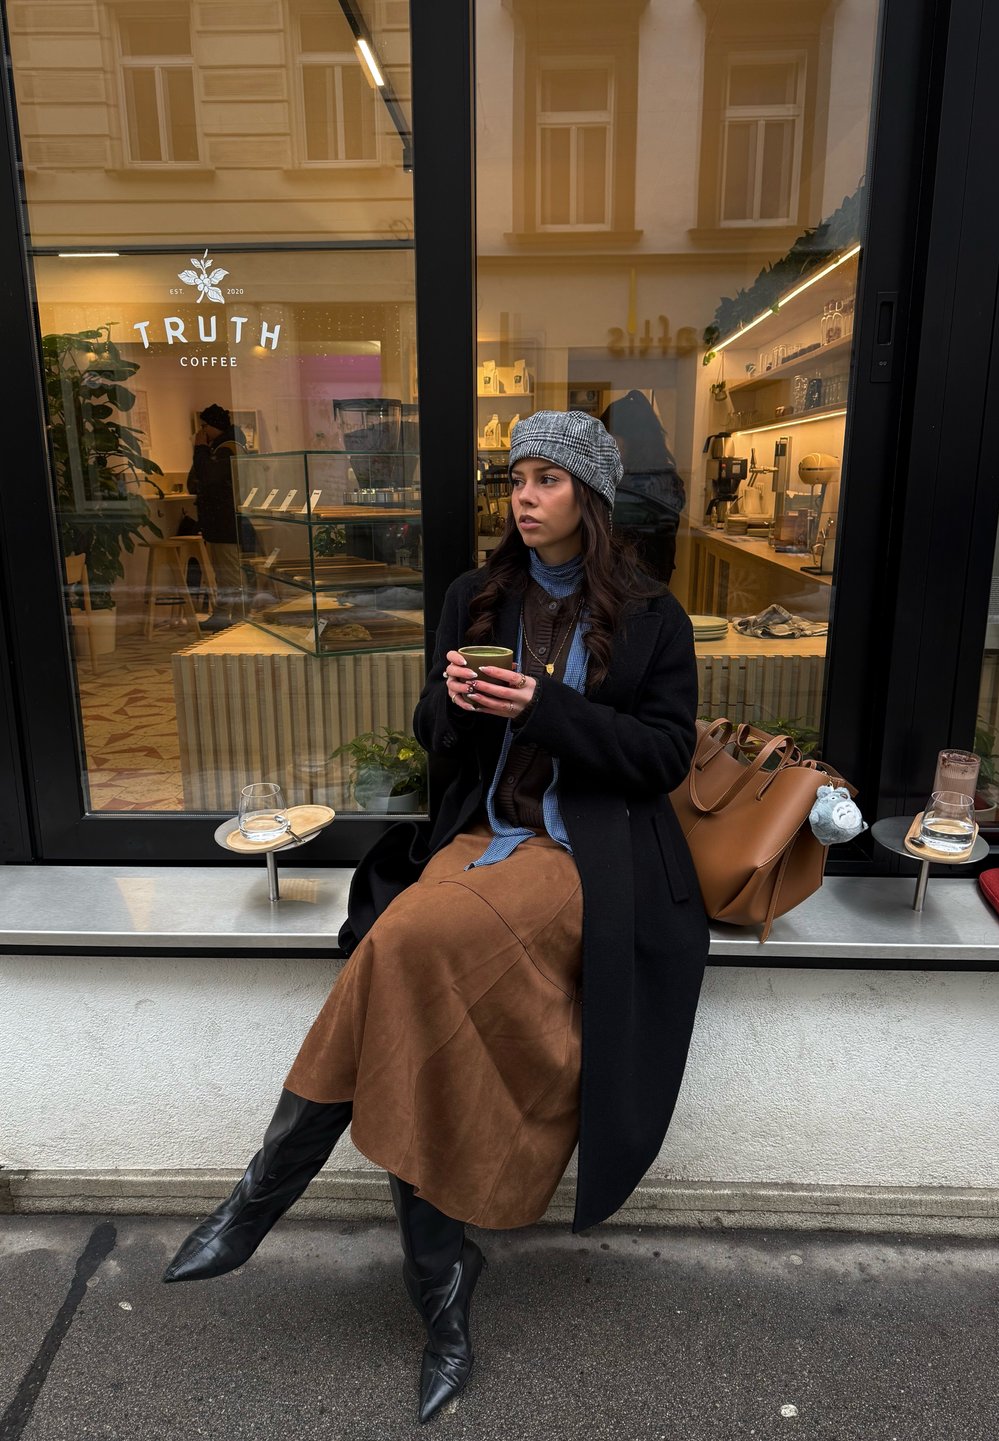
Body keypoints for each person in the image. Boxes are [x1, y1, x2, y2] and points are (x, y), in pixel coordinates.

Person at [162, 410, 709, 1423]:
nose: (523, 496)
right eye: (516, 478)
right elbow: (435, 735)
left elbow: (662, 759)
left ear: (587, 495)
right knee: (411, 969)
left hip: (578, 856)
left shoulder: (648, 614)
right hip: (477, 838)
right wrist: (453, 699)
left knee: (404, 937)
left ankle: (260, 1197)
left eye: (546, 479)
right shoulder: (477, 593)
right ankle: (441, 1292)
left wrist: (540, 708)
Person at [601, 390, 685, 582]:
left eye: (610, 439)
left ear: (634, 440)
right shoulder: (660, 478)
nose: (604, 448)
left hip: (638, 584)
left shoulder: (651, 483)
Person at [187, 403, 246, 631]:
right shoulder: (228, 445)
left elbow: (209, 477)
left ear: (213, 426)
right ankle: (223, 615)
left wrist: (200, 449)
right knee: (224, 573)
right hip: (222, 522)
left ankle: (239, 620)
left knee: (230, 574)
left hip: (225, 522)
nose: (202, 431)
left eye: (204, 426)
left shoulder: (227, 448)